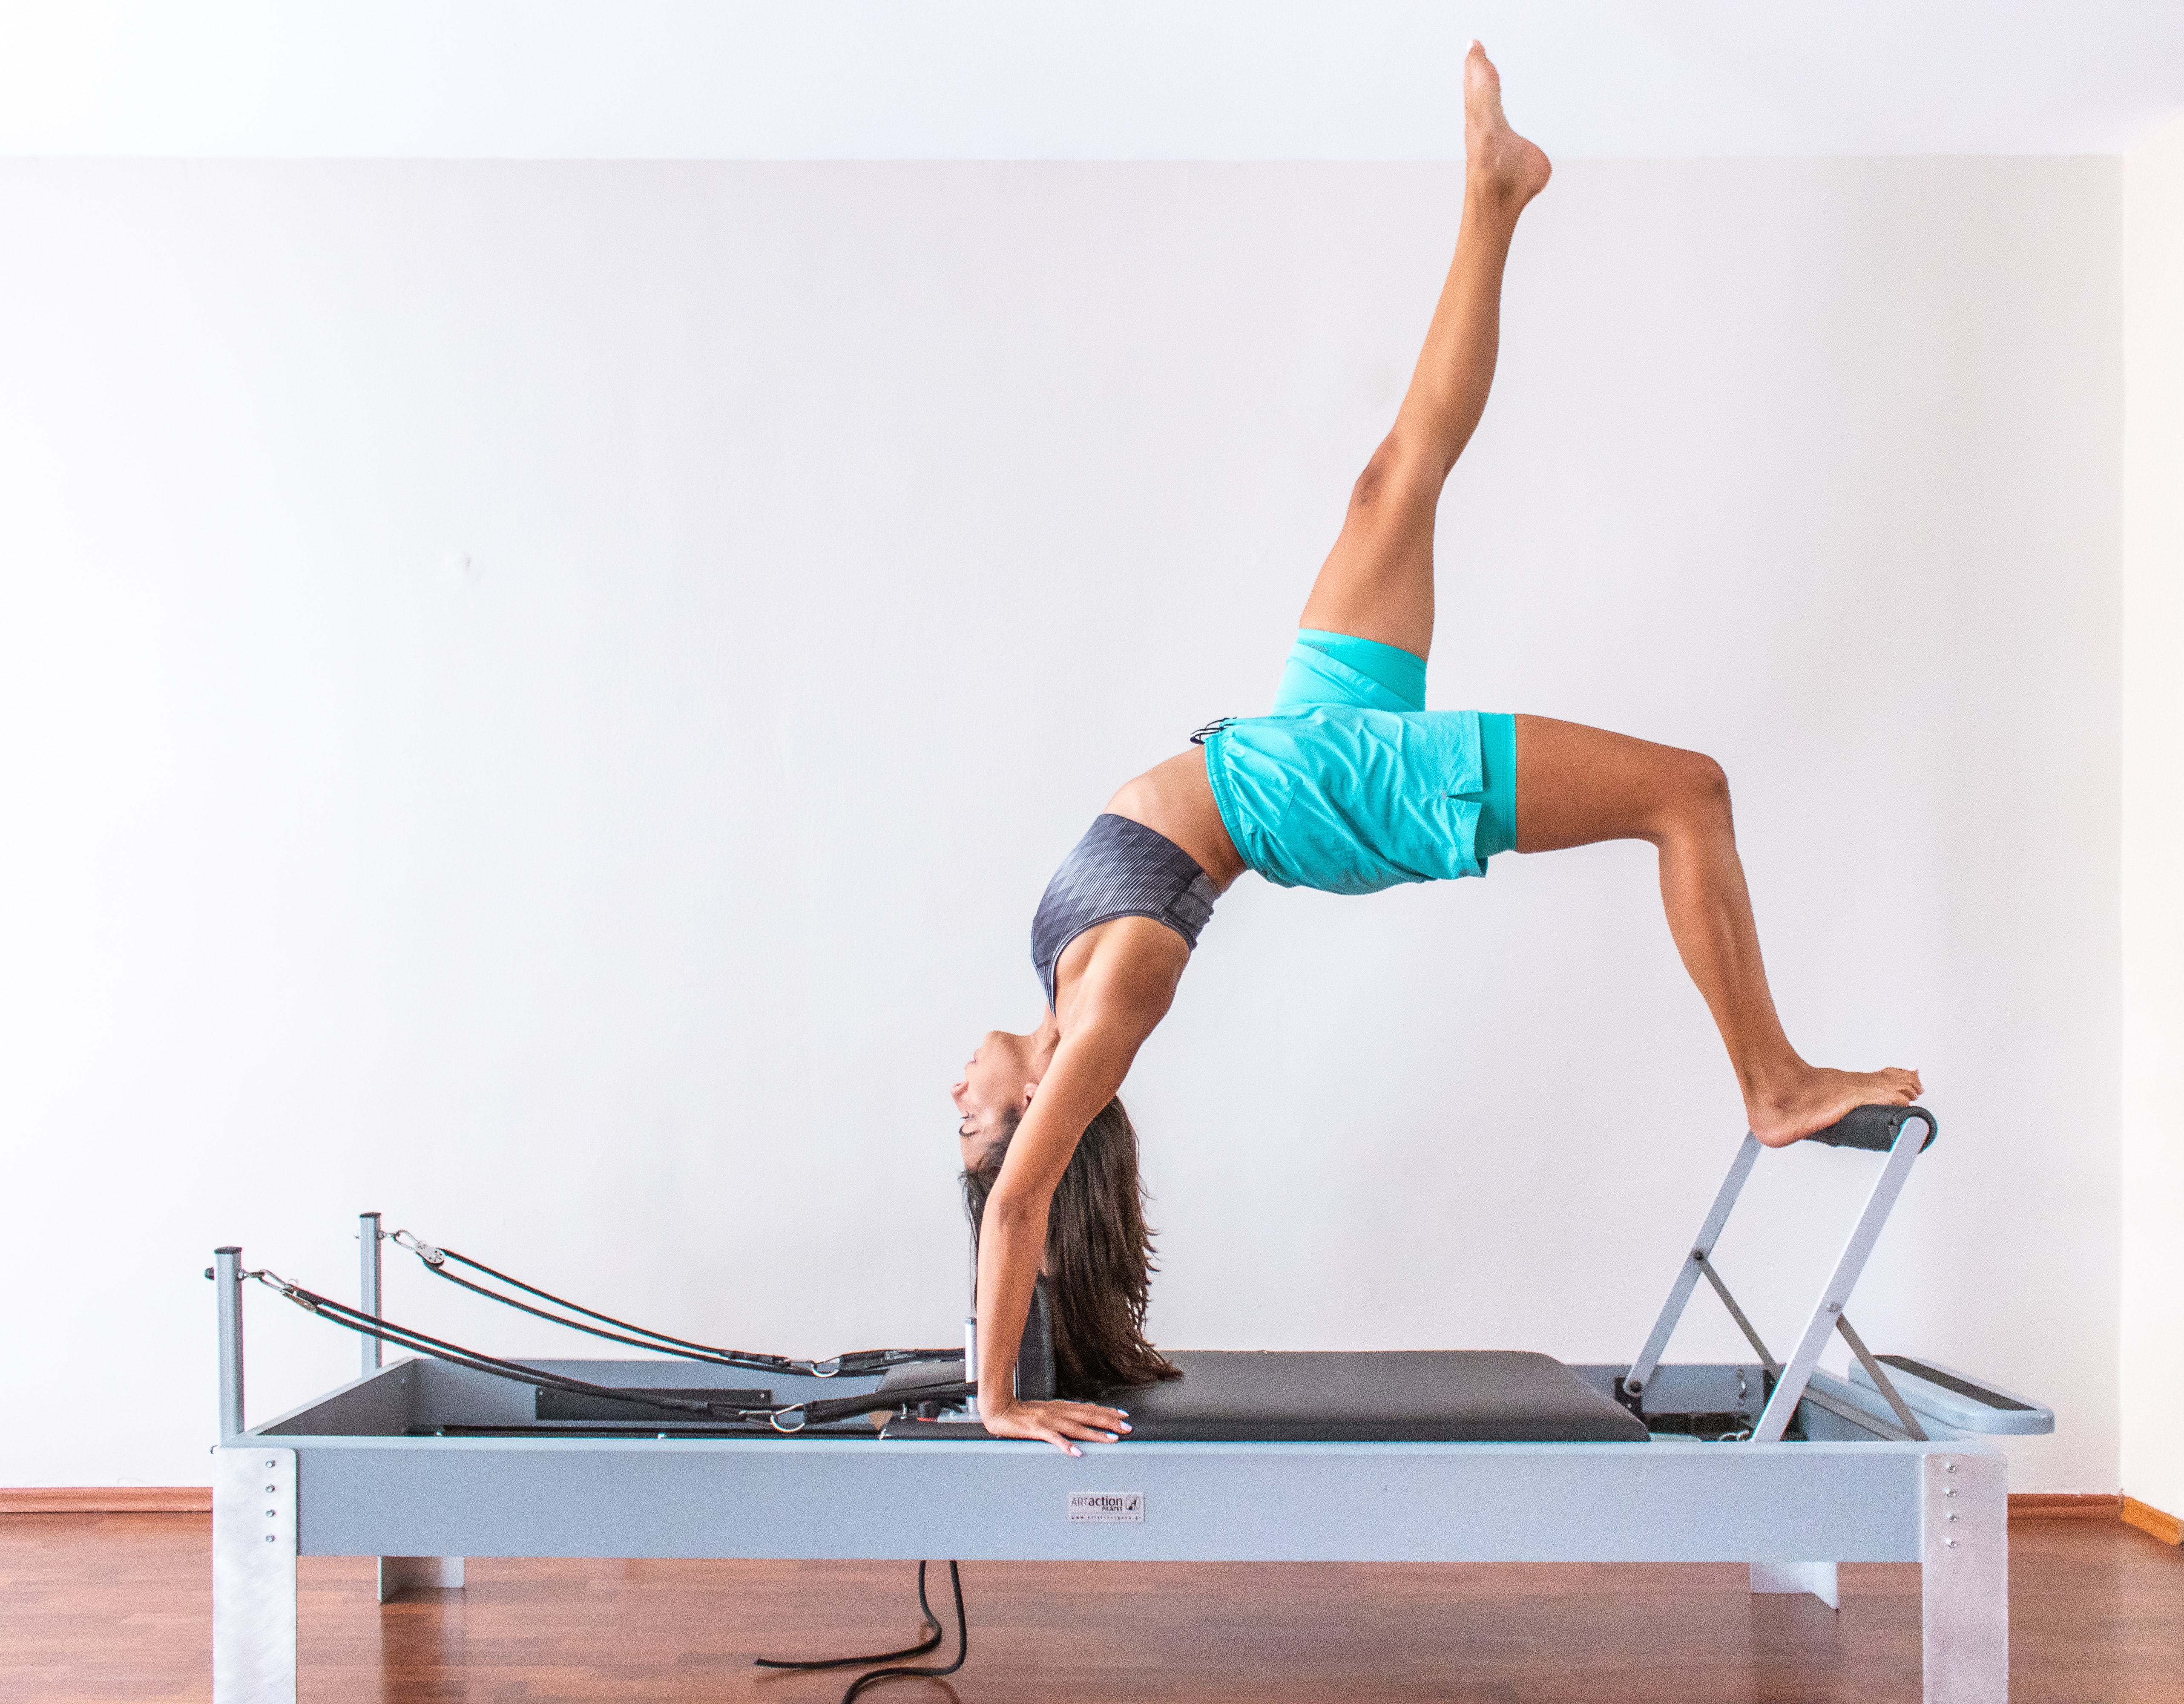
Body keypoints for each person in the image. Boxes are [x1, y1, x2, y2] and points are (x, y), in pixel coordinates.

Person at [949, 43, 1921, 1455]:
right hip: (1340, 798)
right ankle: (1773, 1082)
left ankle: (1496, 195)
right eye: (974, 1125)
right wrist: (997, 1398)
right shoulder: (1114, 1000)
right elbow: (1027, 1207)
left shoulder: (1062, 967)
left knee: (1398, 464)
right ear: (1035, 1107)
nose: (960, 1101)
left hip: (1286, 742)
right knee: (1688, 792)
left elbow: (1022, 1182)